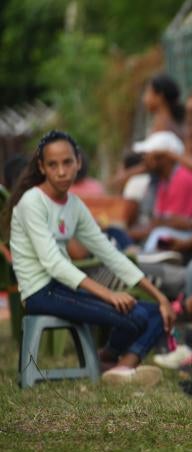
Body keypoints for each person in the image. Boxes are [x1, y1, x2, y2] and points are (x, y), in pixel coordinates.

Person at [2, 130, 173, 385]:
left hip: (64, 289)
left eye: (67, 162)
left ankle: (117, 364)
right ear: (42, 167)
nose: (61, 171)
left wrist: (161, 298)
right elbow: (54, 264)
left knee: (156, 312)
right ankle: (118, 364)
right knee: (136, 317)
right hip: (41, 293)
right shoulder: (32, 202)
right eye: (53, 164)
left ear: (78, 162)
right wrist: (109, 294)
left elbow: (110, 253)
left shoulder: (74, 205)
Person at [142, 74, 186, 138]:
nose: (144, 98)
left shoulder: (164, 127)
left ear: (160, 96)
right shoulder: (170, 123)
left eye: (148, 92)